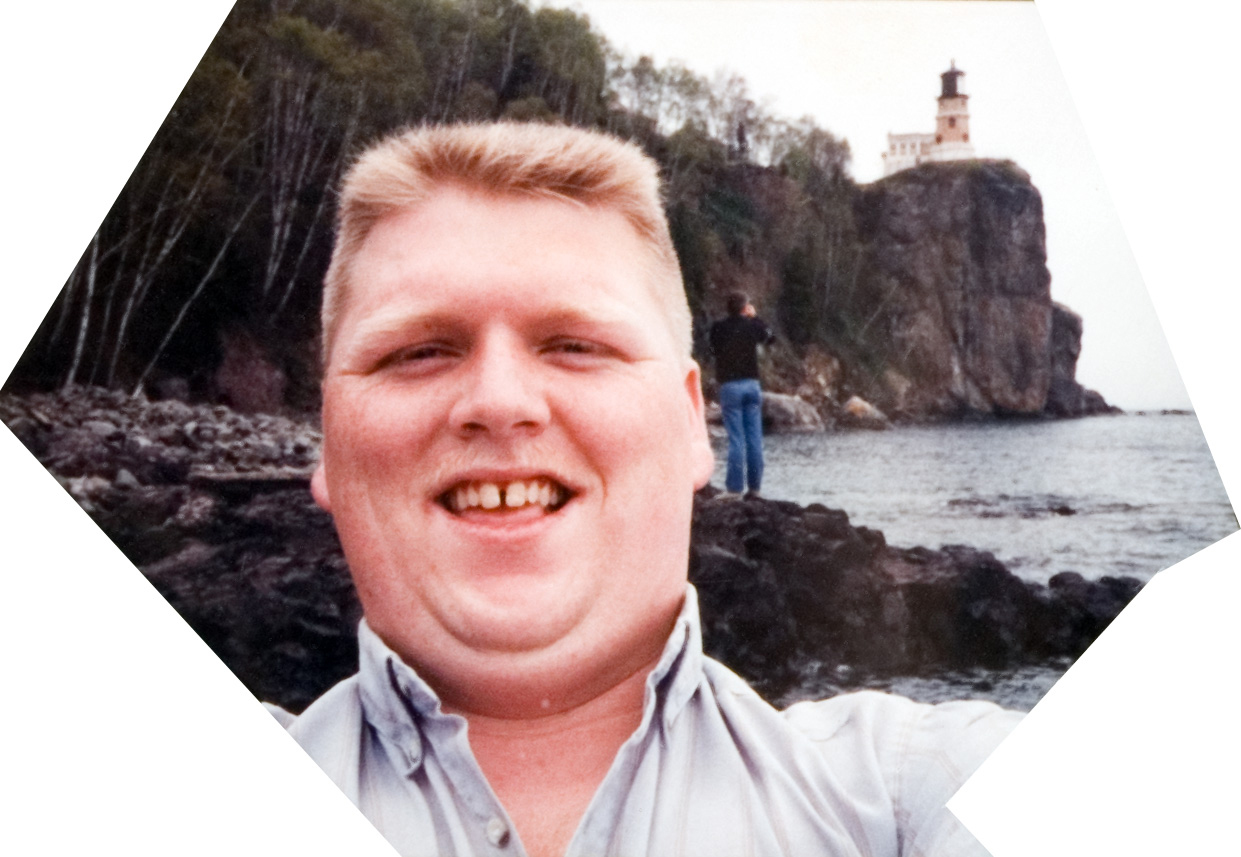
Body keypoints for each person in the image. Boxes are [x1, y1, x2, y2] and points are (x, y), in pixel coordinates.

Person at [270, 122, 1020, 857]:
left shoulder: (906, 790)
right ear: (326, 436)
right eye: (418, 350)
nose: (498, 400)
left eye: (575, 346)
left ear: (690, 420)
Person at [709, 292, 775, 498]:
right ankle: (755, 489)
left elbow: (713, 348)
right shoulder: (752, 326)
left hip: (730, 386)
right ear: (745, 307)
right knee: (754, 438)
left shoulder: (718, 328)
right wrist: (754, 318)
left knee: (736, 439)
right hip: (751, 384)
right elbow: (770, 338)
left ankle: (734, 489)